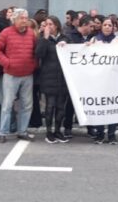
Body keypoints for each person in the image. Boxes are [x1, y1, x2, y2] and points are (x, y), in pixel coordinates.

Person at [0, 8, 38, 143]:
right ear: (15, 19)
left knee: (27, 104)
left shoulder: (31, 34)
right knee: (7, 104)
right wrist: (7, 63)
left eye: (26, 18)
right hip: (11, 74)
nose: (25, 20)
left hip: (27, 74)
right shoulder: (6, 33)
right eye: (22, 18)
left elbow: (36, 51)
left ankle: (22, 131)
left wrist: (33, 64)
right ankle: (3, 132)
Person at [37, 16, 70, 144]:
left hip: (62, 78)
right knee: (50, 106)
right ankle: (49, 132)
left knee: (61, 107)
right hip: (48, 77)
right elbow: (39, 54)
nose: (48, 27)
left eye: (50, 24)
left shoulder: (65, 38)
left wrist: (66, 44)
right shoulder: (43, 39)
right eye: (46, 24)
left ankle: (58, 130)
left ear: (56, 25)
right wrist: (45, 38)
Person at [88, 18, 118, 144]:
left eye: (110, 25)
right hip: (99, 80)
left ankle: (112, 135)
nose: (107, 27)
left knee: (113, 107)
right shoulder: (94, 40)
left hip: (113, 79)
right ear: (101, 27)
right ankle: (100, 134)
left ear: (113, 27)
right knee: (100, 107)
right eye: (105, 25)